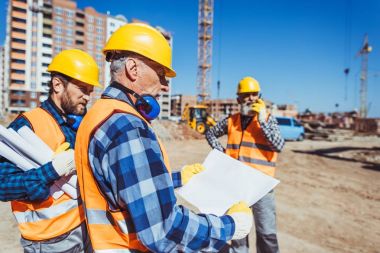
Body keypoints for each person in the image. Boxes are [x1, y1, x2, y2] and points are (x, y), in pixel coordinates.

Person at [75, 23, 253, 252]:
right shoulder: (127, 127)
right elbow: (163, 230)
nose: (166, 86)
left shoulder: (99, 113)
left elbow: (122, 185)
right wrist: (230, 226)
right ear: (133, 69)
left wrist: (177, 178)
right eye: (161, 74)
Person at [0, 49, 100, 252]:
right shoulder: (25, 126)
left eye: (90, 90)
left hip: (87, 229)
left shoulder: (80, 124)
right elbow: (3, 185)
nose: (87, 97)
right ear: (57, 85)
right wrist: (52, 170)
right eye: (82, 88)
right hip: (49, 241)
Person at [205, 76, 285, 253]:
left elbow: (279, 145)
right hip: (237, 185)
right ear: (238, 99)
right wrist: (222, 154)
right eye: (246, 95)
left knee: (266, 232)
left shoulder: (268, 120)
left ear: (260, 96)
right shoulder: (231, 121)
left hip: (261, 186)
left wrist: (262, 119)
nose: (250, 98)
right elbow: (210, 133)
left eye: (254, 94)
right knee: (239, 229)